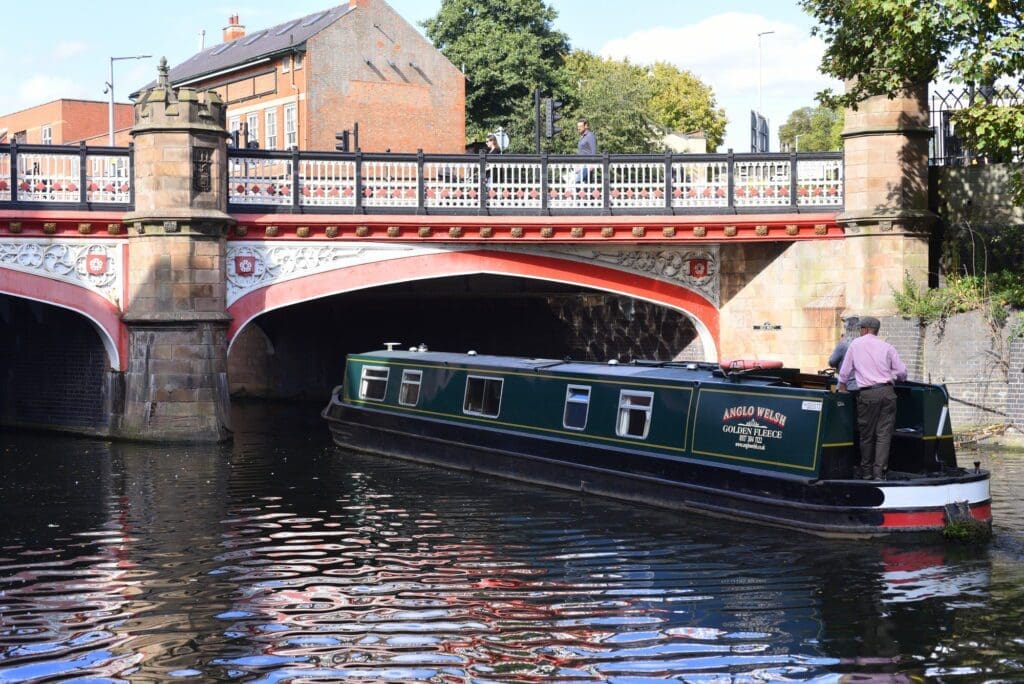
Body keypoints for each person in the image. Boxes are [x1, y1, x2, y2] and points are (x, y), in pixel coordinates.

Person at [836, 316, 908, 480]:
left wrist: (842, 386)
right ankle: (879, 473)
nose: (860, 331)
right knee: (884, 435)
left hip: (867, 394)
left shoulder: (855, 345)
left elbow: (845, 370)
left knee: (867, 435)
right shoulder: (887, 347)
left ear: (866, 329)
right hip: (888, 392)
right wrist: (893, 376)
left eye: (861, 328)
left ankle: (866, 472)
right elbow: (902, 372)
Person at [828, 315, 860, 391]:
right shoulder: (864, 343)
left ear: (846, 328)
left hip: (846, 385)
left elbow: (832, 362)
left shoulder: (844, 344)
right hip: (863, 386)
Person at [576, 118, 597, 183]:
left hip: (587, 164)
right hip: (582, 164)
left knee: (577, 181)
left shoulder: (590, 136)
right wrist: (578, 164)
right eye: (578, 127)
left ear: (586, 126)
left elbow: (593, 150)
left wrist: (592, 164)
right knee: (587, 184)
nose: (578, 128)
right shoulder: (582, 137)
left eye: (580, 126)